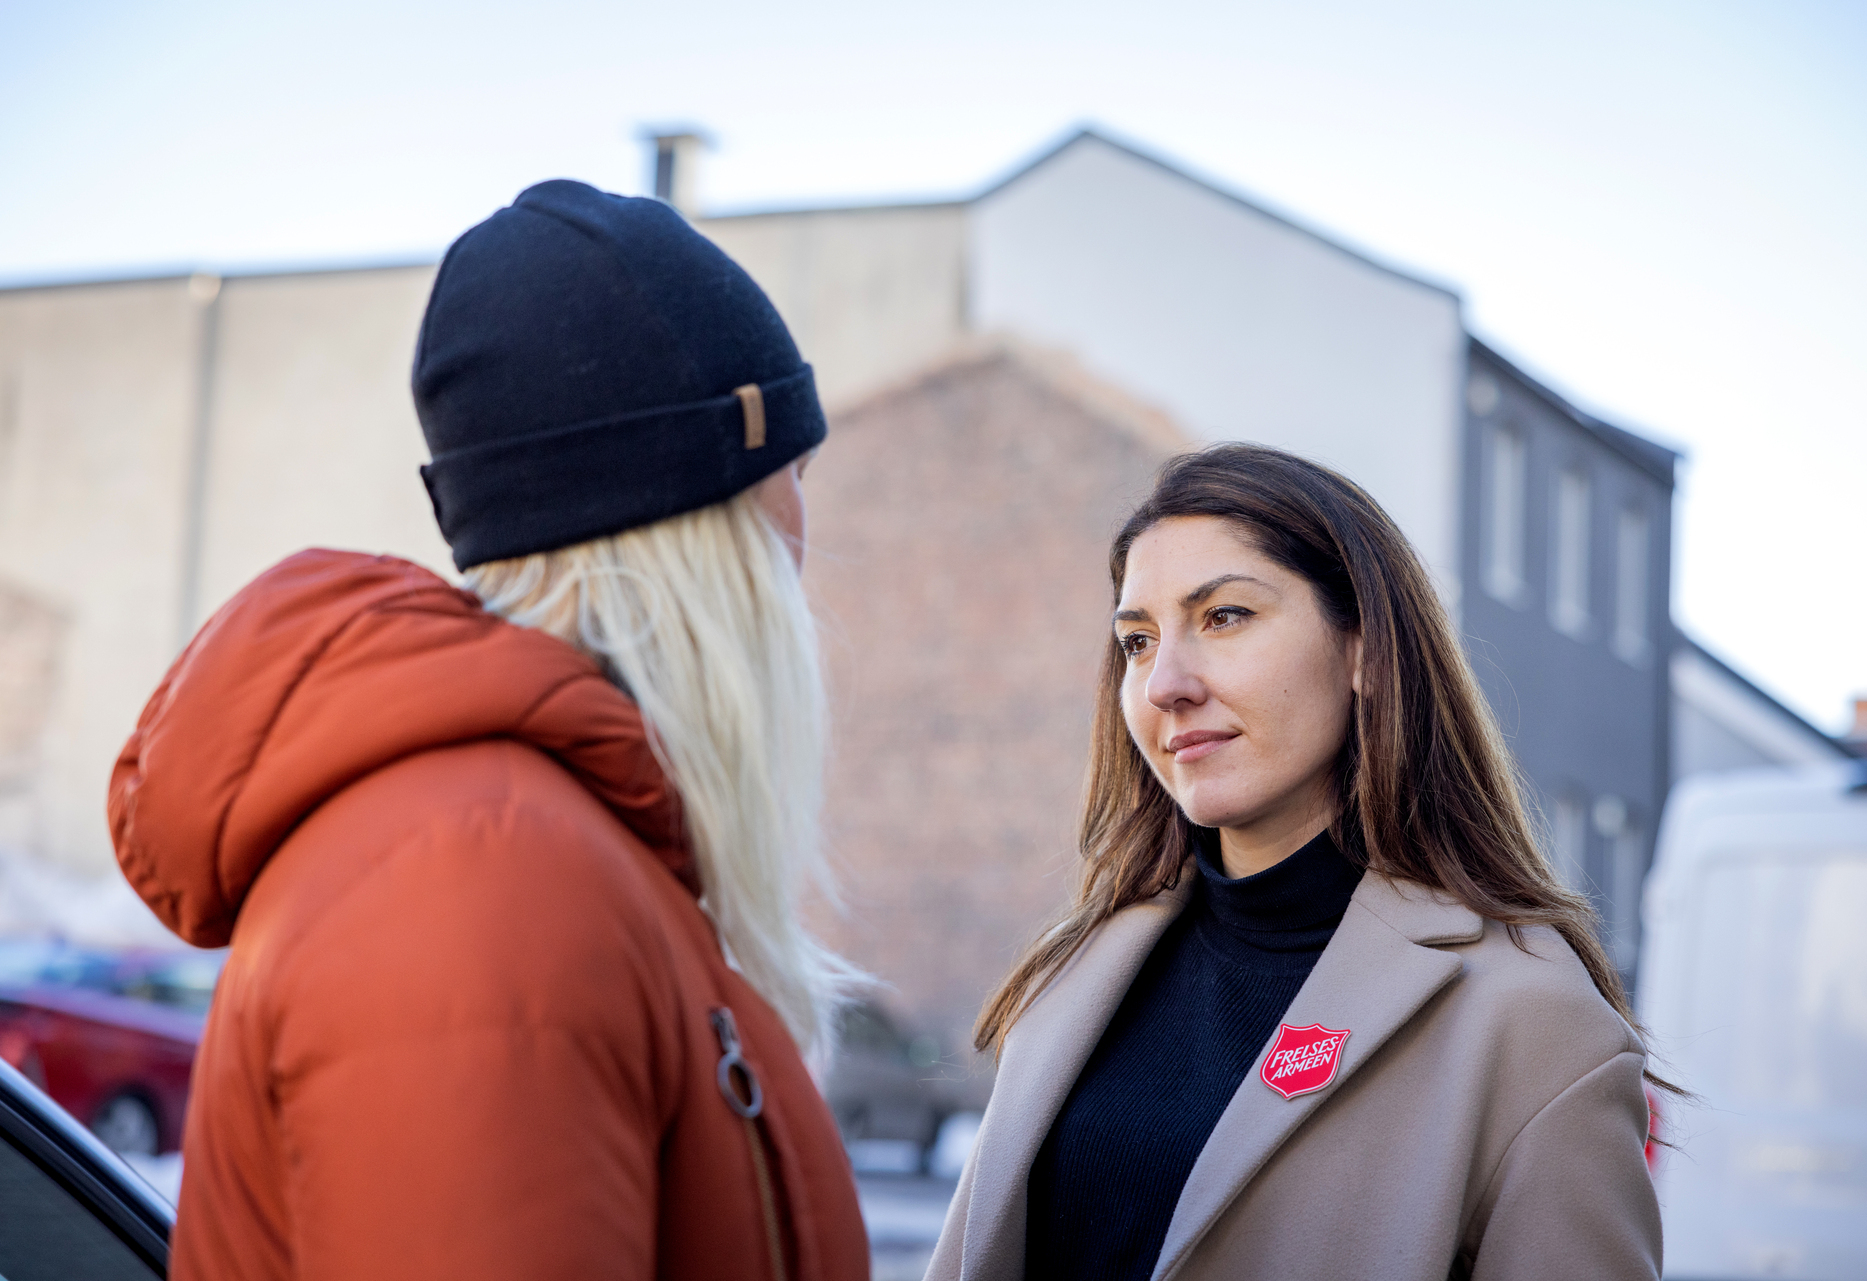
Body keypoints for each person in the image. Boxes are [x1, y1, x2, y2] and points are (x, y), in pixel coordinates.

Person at [108, 181, 869, 1280]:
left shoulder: (548, 849)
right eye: (791, 472)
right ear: (711, 529)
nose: (805, 526)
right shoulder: (486, 875)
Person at [930, 444, 1663, 1281]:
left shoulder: (1533, 1025)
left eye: (1225, 617)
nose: (1166, 681)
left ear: (1365, 653)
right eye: (1136, 641)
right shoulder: (1076, 972)